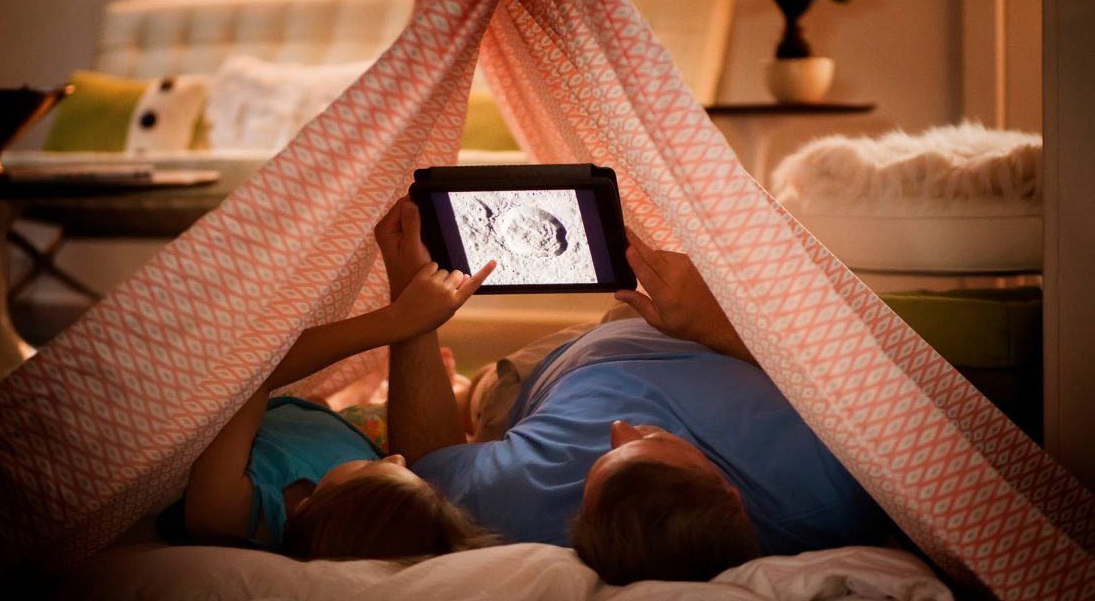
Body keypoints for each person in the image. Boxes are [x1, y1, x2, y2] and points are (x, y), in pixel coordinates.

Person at [379, 202, 892, 585]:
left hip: (551, 371)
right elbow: (870, 378)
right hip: (684, 331)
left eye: (603, 458)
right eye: (650, 440)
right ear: (729, 493)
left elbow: (424, 459)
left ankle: (467, 386)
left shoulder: (512, 501)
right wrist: (714, 325)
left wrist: (409, 296)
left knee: (488, 387)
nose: (618, 428)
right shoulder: (834, 489)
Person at [181, 198, 498, 561]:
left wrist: (397, 320)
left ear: (308, 510)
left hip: (279, 415)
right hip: (334, 424)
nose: (398, 459)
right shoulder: (363, 491)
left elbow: (249, 377)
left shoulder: (224, 513)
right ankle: (361, 395)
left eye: (375, 469)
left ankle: (356, 395)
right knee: (480, 387)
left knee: (339, 409)